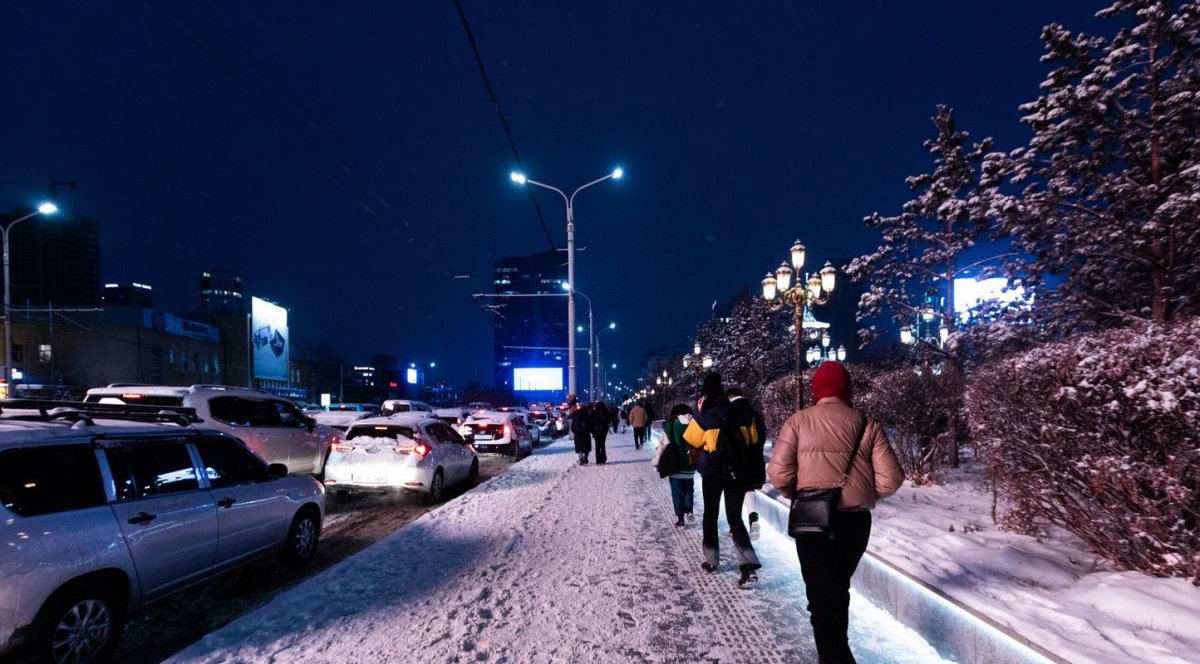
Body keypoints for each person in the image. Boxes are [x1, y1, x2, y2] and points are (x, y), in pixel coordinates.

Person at [768, 361, 904, 664]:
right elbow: (891, 479)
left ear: (817, 390)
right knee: (837, 589)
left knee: (821, 597)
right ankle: (835, 653)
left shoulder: (798, 421)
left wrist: (800, 493)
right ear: (847, 390)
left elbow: (778, 475)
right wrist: (861, 493)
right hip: (855, 522)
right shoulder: (867, 424)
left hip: (813, 517)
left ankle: (836, 657)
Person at [683, 372, 762, 586]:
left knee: (710, 514)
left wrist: (701, 413)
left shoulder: (706, 415)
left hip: (712, 473)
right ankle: (748, 566)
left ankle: (711, 560)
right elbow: (753, 439)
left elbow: (690, 439)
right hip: (736, 472)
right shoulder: (738, 413)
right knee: (735, 518)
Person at [726, 387, 767, 540]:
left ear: (729, 397)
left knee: (735, 492)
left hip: (737, 461)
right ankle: (753, 516)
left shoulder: (730, 413)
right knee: (750, 489)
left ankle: (735, 526)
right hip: (754, 459)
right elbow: (761, 437)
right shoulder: (753, 413)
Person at [655, 403, 697, 526]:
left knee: (677, 492)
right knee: (689, 489)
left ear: (677, 413)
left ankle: (680, 518)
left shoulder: (671, 426)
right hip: (690, 465)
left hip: (675, 465)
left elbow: (662, 446)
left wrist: (657, 463)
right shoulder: (694, 425)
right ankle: (689, 510)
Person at [591, 401, 611, 465]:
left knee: (597, 445)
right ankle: (603, 458)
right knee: (602, 445)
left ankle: (598, 460)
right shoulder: (605, 412)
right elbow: (609, 420)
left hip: (596, 431)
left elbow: (591, 422)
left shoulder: (594, 413)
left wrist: (592, 431)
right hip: (603, 431)